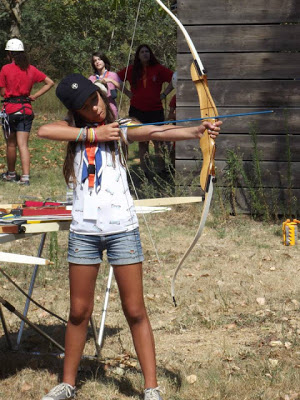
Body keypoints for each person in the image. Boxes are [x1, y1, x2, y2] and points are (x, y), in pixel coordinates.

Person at [37, 73, 221, 400]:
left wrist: (195, 131)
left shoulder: (120, 126)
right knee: (79, 311)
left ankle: (151, 388)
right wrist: (92, 133)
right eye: (85, 106)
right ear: (76, 112)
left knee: (135, 310)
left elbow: (155, 130)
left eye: (95, 99)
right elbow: (43, 129)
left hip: (122, 230)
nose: (94, 107)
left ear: (100, 94)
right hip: (84, 232)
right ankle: (67, 384)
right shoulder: (79, 133)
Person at [0, 38, 54, 185]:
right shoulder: (31, 69)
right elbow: (50, 82)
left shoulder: (5, 69)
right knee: (23, 145)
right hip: (26, 110)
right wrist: (35, 95)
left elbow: (3, 91)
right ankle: (25, 177)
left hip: (10, 110)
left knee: (11, 144)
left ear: (10, 53)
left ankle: (11, 174)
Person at [117, 44, 174, 176]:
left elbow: (174, 78)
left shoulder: (158, 69)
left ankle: (161, 170)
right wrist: (127, 93)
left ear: (150, 54)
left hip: (155, 110)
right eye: (142, 52)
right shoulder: (132, 70)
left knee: (158, 141)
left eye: (147, 51)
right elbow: (116, 79)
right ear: (138, 55)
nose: (145, 54)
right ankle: (145, 170)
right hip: (137, 110)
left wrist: (165, 94)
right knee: (142, 142)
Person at [88, 51, 122, 119]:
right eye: (95, 61)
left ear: (104, 61)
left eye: (99, 59)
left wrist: (111, 81)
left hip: (112, 110)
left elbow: (123, 89)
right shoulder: (91, 78)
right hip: (98, 112)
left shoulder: (113, 75)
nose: (97, 62)